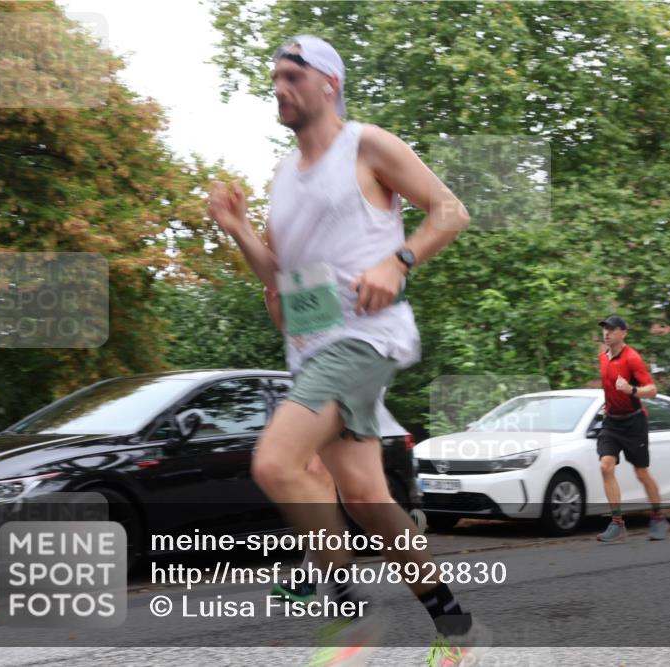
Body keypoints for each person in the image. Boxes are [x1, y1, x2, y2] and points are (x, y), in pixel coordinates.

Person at [207, 34, 488, 667]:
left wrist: (398, 260)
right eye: (276, 78)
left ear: (328, 83)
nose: (280, 88)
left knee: (275, 462)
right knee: (364, 498)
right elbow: (281, 282)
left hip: (366, 336)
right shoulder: (283, 178)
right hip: (312, 351)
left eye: (293, 76)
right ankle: (458, 630)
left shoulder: (366, 145)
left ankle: (346, 615)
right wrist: (240, 230)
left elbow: (451, 211)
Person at [594, 315, 669, 542]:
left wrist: (631, 390)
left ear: (623, 332)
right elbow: (609, 388)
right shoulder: (602, 358)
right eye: (605, 329)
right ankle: (617, 523)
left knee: (641, 473)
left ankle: (658, 517)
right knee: (606, 466)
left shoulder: (632, 358)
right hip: (612, 422)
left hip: (634, 422)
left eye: (612, 329)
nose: (606, 333)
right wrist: (607, 406)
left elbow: (652, 390)